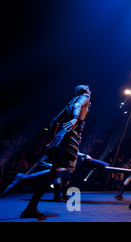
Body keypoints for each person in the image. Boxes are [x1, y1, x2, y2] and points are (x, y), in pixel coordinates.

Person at [1, 85, 91, 218]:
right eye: (89, 89)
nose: (90, 91)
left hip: (60, 137)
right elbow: (78, 105)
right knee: (66, 170)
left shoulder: (69, 102)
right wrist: (75, 118)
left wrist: (53, 138)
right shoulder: (84, 98)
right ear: (85, 90)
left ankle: (30, 208)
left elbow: (54, 121)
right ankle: (23, 178)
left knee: (52, 173)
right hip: (69, 138)